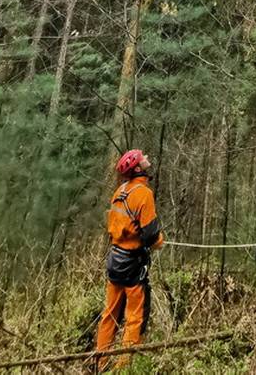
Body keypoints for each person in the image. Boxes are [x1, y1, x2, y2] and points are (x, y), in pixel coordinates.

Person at [95, 149, 164, 370]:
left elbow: (115, 228)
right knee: (135, 318)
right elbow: (151, 235)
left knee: (110, 315)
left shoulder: (120, 191)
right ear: (137, 168)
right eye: (143, 158)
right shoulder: (143, 194)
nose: (147, 159)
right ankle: (124, 368)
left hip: (115, 260)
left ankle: (100, 361)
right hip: (133, 264)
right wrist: (159, 241)